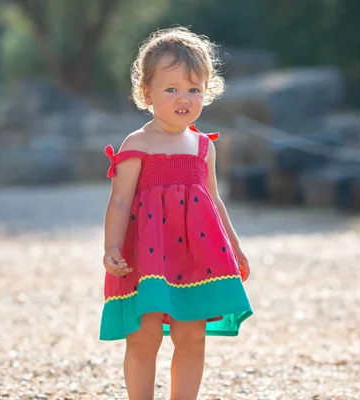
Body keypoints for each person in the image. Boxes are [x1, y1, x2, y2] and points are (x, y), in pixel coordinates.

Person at [100, 26, 253, 399]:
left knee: (192, 334)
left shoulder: (203, 147)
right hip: (148, 256)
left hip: (196, 256)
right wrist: (111, 248)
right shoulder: (137, 144)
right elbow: (120, 200)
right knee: (144, 335)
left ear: (207, 91)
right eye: (171, 89)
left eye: (193, 89)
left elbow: (215, 203)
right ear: (147, 93)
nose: (183, 98)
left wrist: (235, 249)